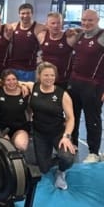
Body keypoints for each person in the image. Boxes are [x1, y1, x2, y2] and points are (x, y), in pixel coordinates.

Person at [68, 9, 104, 162]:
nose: (86, 23)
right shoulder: (80, 35)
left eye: (90, 20)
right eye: (84, 20)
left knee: (92, 119)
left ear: (98, 20)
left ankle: (93, 152)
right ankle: (72, 145)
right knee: (72, 116)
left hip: (94, 85)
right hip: (75, 83)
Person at [25, 62, 76, 190]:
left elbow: (70, 118)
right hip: (39, 133)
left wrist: (66, 137)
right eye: (46, 75)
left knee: (67, 158)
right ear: (39, 76)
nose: (49, 78)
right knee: (44, 168)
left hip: (58, 133)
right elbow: (14, 82)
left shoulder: (62, 94)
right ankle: (52, 157)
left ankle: (61, 171)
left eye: (52, 75)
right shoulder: (33, 87)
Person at [0, 69, 30, 152]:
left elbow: (32, 84)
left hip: (20, 127)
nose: (11, 82)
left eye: (14, 79)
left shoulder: (24, 92)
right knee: (6, 148)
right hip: (2, 127)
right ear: (3, 82)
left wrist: (21, 85)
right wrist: (0, 81)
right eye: (8, 80)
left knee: (21, 146)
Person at [37, 12, 76, 89]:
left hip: (63, 80)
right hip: (45, 79)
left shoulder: (70, 37)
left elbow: (86, 32)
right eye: (53, 23)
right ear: (47, 24)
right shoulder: (41, 36)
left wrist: (75, 29)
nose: (56, 26)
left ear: (62, 24)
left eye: (58, 23)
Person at [7, 3, 46, 81]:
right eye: (23, 13)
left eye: (28, 13)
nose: (25, 16)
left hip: (29, 68)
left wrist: (70, 31)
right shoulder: (13, 26)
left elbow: (53, 29)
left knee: (28, 88)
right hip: (14, 67)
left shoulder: (39, 27)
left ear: (32, 14)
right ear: (19, 14)